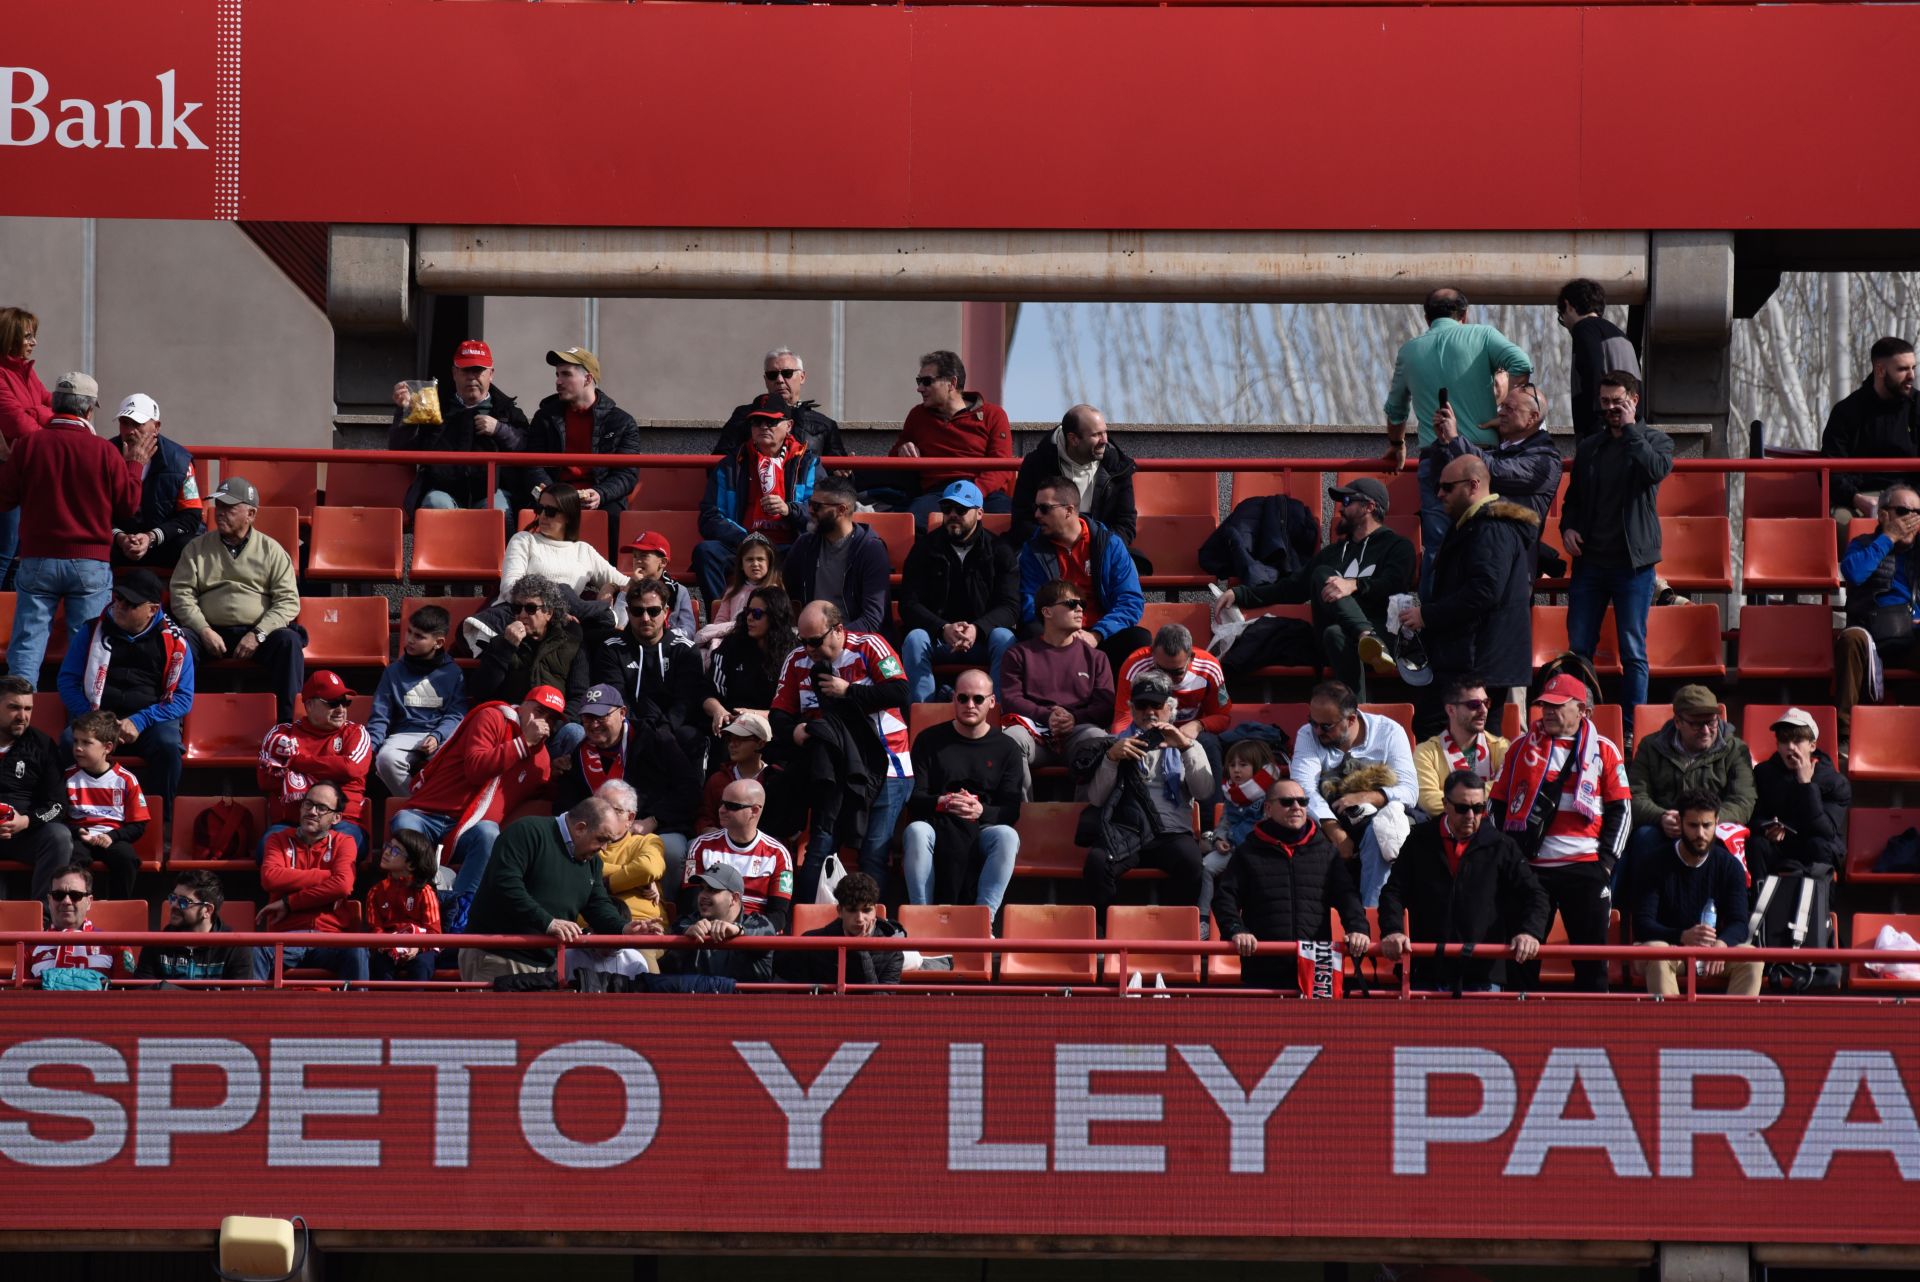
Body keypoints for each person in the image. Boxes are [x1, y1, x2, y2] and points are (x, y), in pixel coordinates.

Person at [0, 371, 151, 687]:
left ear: (54, 404)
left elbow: (5, 498)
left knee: (27, 646)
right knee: (87, 649)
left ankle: (17, 721)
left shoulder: (30, 446)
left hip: (37, 558)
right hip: (89, 562)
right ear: (89, 409)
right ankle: (83, 730)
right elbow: (128, 507)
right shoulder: (104, 451)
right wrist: (135, 464)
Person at [1381, 288, 1534, 589]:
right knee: (1488, 540)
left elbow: (1396, 409)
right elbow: (1522, 364)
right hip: (1482, 459)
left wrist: (1397, 446)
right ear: (1464, 315)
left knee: (1438, 546)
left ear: (1427, 317)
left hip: (1435, 459)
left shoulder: (1410, 351)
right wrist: (1505, 410)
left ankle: (1430, 624)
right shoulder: (1483, 335)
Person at [1489, 673, 1630, 992]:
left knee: (1592, 966)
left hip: (1585, 868)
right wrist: (1512, 861)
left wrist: (1605, 865)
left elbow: (1622, 812)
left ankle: (1592, 1035)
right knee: (1521, 961)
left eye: (1556, 706)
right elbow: (1495, 805)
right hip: (1531, 871)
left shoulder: (1605, 750)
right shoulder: (1519, 747)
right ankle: (1521, 1033)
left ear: (1582, 710)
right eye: (1543, 706)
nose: (1547, 712)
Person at [1218, 478, 1414, 696]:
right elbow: (1290, 589)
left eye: (1348, 500)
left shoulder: (1398, 546)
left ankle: (1356, 713)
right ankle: (1364, 635)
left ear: (1369, 507)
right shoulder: (1332, 554)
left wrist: (1354, 585)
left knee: (1335, 633)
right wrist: (1239, 593)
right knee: (1322, 577)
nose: (1341, 507)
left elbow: (1393, 586)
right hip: (1349, 639)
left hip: (1383, 635)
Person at [771, 601, 912, 901]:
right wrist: (795, 731)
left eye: (814, 641)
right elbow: (779, 715)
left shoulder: (869, 645)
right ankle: (806, 934)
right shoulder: (797, 660)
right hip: (832, 770)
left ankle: (871, 933)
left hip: (888, 765)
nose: (808, 649)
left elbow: (900, 691)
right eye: (803, 641)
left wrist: (849, 691)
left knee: (873, 854)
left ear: (837, 630)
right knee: (819, 850)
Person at [1559, 371, 1673, 740]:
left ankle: (1630, 730)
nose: (1609, 408)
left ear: (1634, 400)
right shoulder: (1590, 447)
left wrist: (1631, 432)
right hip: (1590, 561)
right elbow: (1573, 498)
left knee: (1633, 650)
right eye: (1605, 402)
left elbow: (1655, 470)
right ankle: (1579, 723)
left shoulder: (1655, 440)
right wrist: (1568, 527)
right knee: (1579, 647)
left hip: (1633, 563)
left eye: (1617, 401)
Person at [392, 686, 564, 917]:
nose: (544, 721)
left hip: (468, 830)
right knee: (404, 821)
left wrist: (563, 778)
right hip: (428, 814)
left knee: (489, 833)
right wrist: (523, 743)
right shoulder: (493, 717)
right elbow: (476, 769)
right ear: (523, 706)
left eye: (551, 718)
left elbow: (543, 793)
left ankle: (459, 914)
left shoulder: (541, 759)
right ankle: (411, 904)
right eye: (540, 711)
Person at [1399, 453, 1538, 733]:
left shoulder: (1490, 528)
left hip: (1475, 662)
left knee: (1444, 733)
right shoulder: (1477, 525)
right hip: (1471, 659)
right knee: (1458, 738)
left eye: (1448, 487)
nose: (1439, 494)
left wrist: (1427, 614)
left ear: (1473, 485)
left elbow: (1484, 591)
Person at [1378, 769, 1548, 992]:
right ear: (1445, 804)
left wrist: (1529, 932)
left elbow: (1536, 895)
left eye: (1478, 809)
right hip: (1427, 972)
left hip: (1483, 975)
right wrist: (1393, 930)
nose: (1470, 815)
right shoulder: (1419, 840)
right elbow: (1393, 892)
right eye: (1462, 808)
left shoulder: (1501, 846)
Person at [459, 798, 648, 983]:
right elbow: (504, 883)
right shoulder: (527, 831)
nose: (604, 848)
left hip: (548, 964)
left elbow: (597, 905)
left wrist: (623, 928)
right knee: (495, 1016)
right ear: (580, 828)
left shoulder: (592, 862)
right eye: (601, 839)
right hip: (500, 956)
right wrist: (548, 922)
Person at [1211, 780, 1370, 993]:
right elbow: (1225, 899)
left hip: (1317, 967)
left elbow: (1347, 897)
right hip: (1263, 969)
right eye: (1287, 802)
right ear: (1268, 809)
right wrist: (1236, 930)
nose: (1296, 807)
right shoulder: (1247, 852)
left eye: (1302, 802)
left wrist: (1358, 929)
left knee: (1321, 1027)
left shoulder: (1326, 852)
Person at [169, 476, 306, 723]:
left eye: (229, 508)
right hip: (208, 632)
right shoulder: (196, 548)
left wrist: (259, 633)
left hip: (257, 634)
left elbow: (287, 601)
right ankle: (174, 722)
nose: (219, 513)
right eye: (218, 506)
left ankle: (288, 727)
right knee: (179, 642)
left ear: (251, 513)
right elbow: (181, 594)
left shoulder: (271, 550)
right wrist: (203, 630)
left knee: (289, 641)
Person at [55, 569, 193, 806]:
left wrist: (140, 720)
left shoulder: (175, 641)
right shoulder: (90, 632)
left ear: (152, 609)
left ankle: (161, 821)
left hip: (150, 721)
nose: (120, 606)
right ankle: (70, 813)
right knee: (70, 741)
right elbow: (67, 681)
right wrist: (93, 717)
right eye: (118, 598)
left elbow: (182, 698)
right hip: (96, 715)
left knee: (168, 747)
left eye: (130, 604)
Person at [1082, 672, 1209, 926]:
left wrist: (1184, 748)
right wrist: (1111, 759)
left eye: (1156, 705)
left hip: (1171, 831)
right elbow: (1096, 798)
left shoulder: (1189, 744)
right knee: (1097, 862)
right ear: (1132, 708)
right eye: (1142, 705)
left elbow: (1204, 792)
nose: (1149, 711)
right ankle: (1106, 933)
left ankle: (1173, 930)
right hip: (1126, 830)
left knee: (1192, 862)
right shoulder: (1116, 743)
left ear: (1169, 708)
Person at [552, 683, 701, 894]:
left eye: (601, 717)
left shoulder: (655, 740)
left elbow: (690, 788)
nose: (593, 725)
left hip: (654, 828)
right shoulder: (579, 754)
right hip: (602, 835)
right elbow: (566, 805)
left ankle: (664, 911)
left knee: (673, 850)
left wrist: (653, 820)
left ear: (622, 713)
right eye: (587, 718)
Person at [1287, 680, 1418, 908]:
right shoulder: (1308, 734)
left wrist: (1369, 796)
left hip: (1377, 817)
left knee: (1383, 833)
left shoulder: (1389, 732)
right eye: (1313, 722)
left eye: (1326, 726)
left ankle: (1372, 917)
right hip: (1327, 818)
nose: (1317, 731)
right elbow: (1303, 788)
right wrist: (1333, 828)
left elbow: (1409, 791)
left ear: (1351, 719)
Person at [903, 670, 1024, 914]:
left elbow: (1010, 810)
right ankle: (922, 917)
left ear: (991, 702)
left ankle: (982, 921)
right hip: (936, 822)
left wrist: (981, 810)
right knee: (916, 831)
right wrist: (943, 802)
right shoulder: (929, 740)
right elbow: (914, 797)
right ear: (953, 699)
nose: (970, 705)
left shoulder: (1007, 748)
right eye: (963, 698)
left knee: (1007, 837)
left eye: (978, 699)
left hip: (982, 827)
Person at [1622, 685, 1755, 897]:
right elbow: (1634, 795)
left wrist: (1709, 821)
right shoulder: (1650, 747)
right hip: (1666, 827)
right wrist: (1661, 817)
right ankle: (1645, 914)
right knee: (1644, 838)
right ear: (1678, 722)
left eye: (1711, 722)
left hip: (1713, 828)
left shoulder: (1735, 750)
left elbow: (1743, 800)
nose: (1705, 730)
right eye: (1696, 724)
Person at [466, 482, 627, 652]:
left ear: (568, 516)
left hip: (561, 632)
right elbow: (509, 588)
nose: (542, 515)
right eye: (539, 508)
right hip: (523, 622)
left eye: (550, 512)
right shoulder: (524, 540)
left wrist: (612, 586)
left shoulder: (583, 550)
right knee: (564, 592)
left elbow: (628, 584)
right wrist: (552, 610)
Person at [899, 480, 1021, 702]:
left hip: (983, 639)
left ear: (980, 513)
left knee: (1005, 637)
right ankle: (921, 716)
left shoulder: (1000, 550)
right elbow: (909, 603)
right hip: (938, 637)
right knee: (915, 639)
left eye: (961, 509)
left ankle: (999, 718)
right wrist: (942, 628)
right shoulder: (925, 548)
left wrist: (977, 629)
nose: (953, 514)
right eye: (947, 509)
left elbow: (1010, 607)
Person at [1632, 791, 1762, 998]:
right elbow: (1642, 924)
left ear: (1717, 823)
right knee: (1657, 952)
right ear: (1680, 823)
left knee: (1752, 958)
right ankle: (1671, 1030)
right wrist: (1683, 936)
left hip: (1713, 954)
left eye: (1707, 825)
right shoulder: (1654, 863)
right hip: (1670, 948)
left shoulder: (1730, 866)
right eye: (1693, 825)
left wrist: (1722, 945)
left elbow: (1739, 922)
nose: (1700, 833)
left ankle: (1736, 1029)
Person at [1017, 476, 1148, 672]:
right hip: (1055, 634)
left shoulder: (1109, 545)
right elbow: (1029, 601)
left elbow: (1130, 601)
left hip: (1100, 635)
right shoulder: (1033, 549)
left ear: (1069, 510)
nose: (1036, 515)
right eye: (1036, 508)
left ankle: (1113, 700)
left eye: (1044, 508)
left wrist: (1096, 634)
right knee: (1030, 631)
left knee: (1139, 638)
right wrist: (1060, 631)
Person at [998, 578, 1115, 795]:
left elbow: (1105, 706)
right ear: (1047, 612)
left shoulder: (1097, 657)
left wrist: (1074, 718)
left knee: (1098, 739)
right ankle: (1022, 818)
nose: (1080, 609)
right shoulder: (1018, 654)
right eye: (1071, 604)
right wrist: (1046, 716)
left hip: (1077, 732)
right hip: (1034, 731)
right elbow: (1011, 698)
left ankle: (1085, 819)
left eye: (1082, 604)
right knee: (1011, 739)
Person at [694, 402, 820, 603]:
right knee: (706, 552)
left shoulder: (806, 462)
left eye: (771, 422)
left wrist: (789, 510)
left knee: (814, 552)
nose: (763, 427)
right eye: (757, 422)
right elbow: (710, 517)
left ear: (788, 425)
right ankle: (720, 620)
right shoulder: (731, 465)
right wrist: (746, 539)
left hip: (789, 546)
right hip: (742, 543)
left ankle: (801, 622)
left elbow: (820, 512)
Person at [389, 337, 527, 512]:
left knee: (499, 509)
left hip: (491, 492)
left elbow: (528, 448)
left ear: (491, 374)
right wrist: (405, 411)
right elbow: (400, 451)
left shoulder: (508, 412)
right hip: (443, 491)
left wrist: (499, 429)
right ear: (454, 373)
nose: (471, 377)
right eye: (465, 370)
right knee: (435, 503)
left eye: (478, 370)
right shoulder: (432, 407)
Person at [250, 781, 366, 983]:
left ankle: (357, 1014)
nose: (312, 811)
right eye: (308, 804)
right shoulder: (278, 840)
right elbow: (270, 878)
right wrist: (325, 876)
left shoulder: (344, 842)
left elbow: (343, 885)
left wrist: (289, 903)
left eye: (322, 808)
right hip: (286, 938)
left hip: (331, 937)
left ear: (336, 817)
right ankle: (252, 1014)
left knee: (357, 951)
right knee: (255, 952)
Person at [466, 574, 589, 757]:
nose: (522, 615)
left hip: (552, 732)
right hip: (511, 731)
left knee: (575, 733)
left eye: (531, 608)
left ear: (549, 612)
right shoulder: (500, 643)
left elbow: (579, 695)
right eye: (517, 608)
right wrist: (506, 648)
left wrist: (553, 725)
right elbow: (481, 690)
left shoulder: (572, 643)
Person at [588, 577, 707, 767]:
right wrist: (641, 730)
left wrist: (664, 730)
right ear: (627, 612)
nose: (645, 618)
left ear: (666, 612)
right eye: (637, 611)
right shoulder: (611, 649)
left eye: (653, 611)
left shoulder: (685, 649)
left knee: (690, 736)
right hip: (630, 728)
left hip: (674, 730)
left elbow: (686, 701)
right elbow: (616, 698)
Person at [890, 349, 1015, 525]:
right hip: (937, 494)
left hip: (983, 492)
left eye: (927, 382)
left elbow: (1001, 466)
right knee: (913, 522)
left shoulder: (993, 414)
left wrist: (970, 492)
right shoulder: (917, 415)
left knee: (1011, 521)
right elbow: (894, 456)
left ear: (951, 383)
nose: (919, 388)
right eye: (919, 381)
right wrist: (902, 450)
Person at [258, 670, 373, 857]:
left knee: (342, 850)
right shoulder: (281, 735)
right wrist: (330, 770)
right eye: (333, 703)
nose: (341, 710)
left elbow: (350, 768)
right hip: (292, 823)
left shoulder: (356, 733)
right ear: (309, 705)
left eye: (345, 702)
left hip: (341, 823)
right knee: (267, 849)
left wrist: (296, 761)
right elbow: (266, 780)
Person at [1836, 482, 1920, 735]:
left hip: (1913, 636)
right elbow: (1854, 573)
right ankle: (1845, 736)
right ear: (1884, 514)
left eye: (1919, 513)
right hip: (1872, 634)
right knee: (1850, 639)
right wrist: (1889, 537)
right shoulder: (1863, 544)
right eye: (1905, 511)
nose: (1913, 519)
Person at [1425, 381, 1562, 532]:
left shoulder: (1545, 461)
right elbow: (1443, 484)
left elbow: (1494, 472)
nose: (1501, 412)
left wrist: (1455, 440)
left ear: (1532, 417)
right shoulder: (1500, 451)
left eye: (1509, 408)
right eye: (1502, 406)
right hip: (1475, 538)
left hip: (1507, 548)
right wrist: (1444, 444)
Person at [519, 347, 642, 515]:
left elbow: (627, 474)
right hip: (554, 495)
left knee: (612, 516)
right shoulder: (545, 417)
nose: (558, 381)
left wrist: (600, 494)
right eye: (557, 375)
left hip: (601, 501)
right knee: (532, 513)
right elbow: (533, 464)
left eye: (566, 374)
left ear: (587, 378)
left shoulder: (621, 422)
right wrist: (552, 493)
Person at [365, 604, 467, 798]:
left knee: (455, 762)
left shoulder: (453, 672)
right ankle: (416, 806)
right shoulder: (393, 672)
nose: (410, 640)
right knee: (386, 759)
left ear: (438, 643)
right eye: (409, 632)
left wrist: (437, 736)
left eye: (419, 636)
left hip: (441, 736)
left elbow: (456, 713)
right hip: (403, 734)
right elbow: (381, 715)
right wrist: (370, 749)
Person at [1111, 623, 1231, 784]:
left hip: (1189, 736)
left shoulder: (1208, 668)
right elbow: (1123, 717)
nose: (1168, 678)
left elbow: (1222, 716)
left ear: (1191, 657)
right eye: (1161, 670)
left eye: (1177, 672)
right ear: (1152, 653)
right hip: (1146, 733)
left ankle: (1212, 808)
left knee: (1209, 743)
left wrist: (1198, 725)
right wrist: (1123, 742)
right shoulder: (1134, 665)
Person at [1010, 404, 1137, 548]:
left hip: (1102, 551)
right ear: (1073, 439)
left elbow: (1126, 524)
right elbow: (1022, 521)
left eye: (1105, 432)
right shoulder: (1036, 464)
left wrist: (1099, 548)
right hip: (1046, 552)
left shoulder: (1118, 467)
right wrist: (1059, 546)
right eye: (1096, 435)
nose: (1104, 440)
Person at [1822, 337, 1920, 524]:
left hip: (1913, 496)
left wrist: (1911, 500)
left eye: (1913, 368)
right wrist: (1856, 499)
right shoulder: (1847, 411)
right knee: (1840, 521)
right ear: (1880, 370)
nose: (1911, 376)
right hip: (1862, 498)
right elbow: (1830, 469)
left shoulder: (1918, 407)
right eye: (1902, 369)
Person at [1746, 708, 1849, 883]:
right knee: (1756, 844)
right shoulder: (1763, 773)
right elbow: (1752, 818)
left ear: (1812, 745)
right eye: (1784, 741)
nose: (1791, 747)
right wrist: (1767, 829)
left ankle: (1819, 908)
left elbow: (1825, 831)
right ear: (1778, 745)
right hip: (1780, 846)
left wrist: (1807, 785)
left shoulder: (1835, 782)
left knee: (1819, 846)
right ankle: (1759, 905)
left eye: (1798, 740)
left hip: (1815, 847)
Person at [682, 777, 794, 933]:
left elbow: (778, 917)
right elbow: (691, 903)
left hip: (755, 939)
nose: (721, 810)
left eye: (731, 806)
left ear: (754, 811)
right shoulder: (700, 845)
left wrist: (741, 931)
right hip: (709, 934)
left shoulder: (779, 854)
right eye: (722, 803)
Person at [784, 475, 891, 635]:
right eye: (809, 504)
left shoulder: (871, 550)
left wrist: (828, 637)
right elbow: (783, 590)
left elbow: (872, 620)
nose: (810, 510)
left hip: (856, 643)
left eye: (817, 506)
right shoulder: (804, 545)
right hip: (810, 639)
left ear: (841, 510)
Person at [0, 675, 74, 900]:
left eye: (28, 709)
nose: (22, 716)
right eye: (14, 707)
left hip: (24, 833)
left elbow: (58, 805)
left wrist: (26, 821)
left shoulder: (42, 745)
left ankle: (43, 918)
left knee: (59, 836)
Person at [703, 587, 798, 763]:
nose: (749, 618)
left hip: (773, 725)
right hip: (732, 723)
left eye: (757, 613)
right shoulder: (732, 645)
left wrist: (753, 714)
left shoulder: (793, 653)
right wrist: (718, 710)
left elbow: (795, 708)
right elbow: (708, 691)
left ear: (775, 616)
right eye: (747, 611)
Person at [109, 393, 204, 568]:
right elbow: (94, 513)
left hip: (163, 543)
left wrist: (151, 537)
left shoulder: (180, 461)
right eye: (124, 423)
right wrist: (121, 538)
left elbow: (191, 516)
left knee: (189, 546)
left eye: (138, 424)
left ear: (156, 427)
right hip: (119, 543)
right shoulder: (106, 455)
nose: (130, 431)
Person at [62, 710, 147, 900]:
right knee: (71, 860)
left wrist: (112, 836)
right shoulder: (67, 777)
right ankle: (76, 909)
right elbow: (59, 817)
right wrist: (77, 832)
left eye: (86, 743)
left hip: (112, 838)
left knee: (126, 859)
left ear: (107, 747)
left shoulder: (125, 779)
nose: (78, 748)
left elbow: (138, 825)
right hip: (79, 837)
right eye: (76, 741)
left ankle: (118, 909)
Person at [713, 346, 849, 465]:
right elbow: (719, 464)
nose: (779, 380)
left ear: (802, 377)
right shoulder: (745, 415)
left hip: (805, 493)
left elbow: (839, 478)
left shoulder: (824, 424)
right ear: (766, 380)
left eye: (787, 373)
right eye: (772, 375)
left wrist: (844, 472)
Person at [776, 871, 909, 987]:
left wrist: (861, 951)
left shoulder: (893, 952)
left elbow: (880, 1006)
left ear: (875, 910)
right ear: (840, 911)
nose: (860, 918)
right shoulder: (812, 944)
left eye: (866, 910)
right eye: (852, 910)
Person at [0, 305, 52, 589]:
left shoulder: (25, 373)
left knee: (19, 553)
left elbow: (49, 404)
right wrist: (41, 414)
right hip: (7, 474)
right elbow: (18, 426)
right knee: (5, 553)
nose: (34, 343)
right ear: (10, 338)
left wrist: (36, 412)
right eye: (28, 337)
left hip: (25, 474)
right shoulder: (2, 375)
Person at [1203, 740, 1281, 929]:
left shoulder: (1270, 795)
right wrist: (1219, 839)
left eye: (1243, 765)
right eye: (1232, 765)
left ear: (1257, 767)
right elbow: (1224, 823)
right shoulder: (1231, 795)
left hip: (1258, 852)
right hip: (1231, 850)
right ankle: (1203, 917)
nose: (1236, 770)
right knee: (1204, 867)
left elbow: (1265, 827)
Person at [1412, 675, 1509, 819]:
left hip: (1491, 831)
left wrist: (1455, 802)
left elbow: (1505, 790)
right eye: (1474, 704)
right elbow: (1429, 802)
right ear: (1451, 710)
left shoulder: (1501, 747)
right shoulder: (1426, 752)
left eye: (1486, 702)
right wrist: (1483, 799)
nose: (1484, 710)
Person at [664, 862, 779, 983]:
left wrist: (738, 930)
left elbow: (767, 933)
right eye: (702, 889)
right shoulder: (689, 922)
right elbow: (675, 931)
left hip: (743, 1001)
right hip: (696, 1000)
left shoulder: (757, 924)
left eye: (712, 890)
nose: (702, 895)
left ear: (734, 898)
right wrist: (686, 933)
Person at [1556, 279, 1641, 440]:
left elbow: (1592, 371)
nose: (1566, 324)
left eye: (1562, 317)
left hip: (1602, 433)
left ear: (1568, 305)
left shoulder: (1584, 329)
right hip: (1630, 428)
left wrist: (1594, 432)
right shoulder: (1619, 333)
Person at [134, 869, 247, 984]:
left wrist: (166, 989)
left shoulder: (234, 948)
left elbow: (239, 999)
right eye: (173, 898)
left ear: (207, 910)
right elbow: (142, 994)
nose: (174, 905)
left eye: (183, 901)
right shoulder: (155, 945)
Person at [32, 863, 131, 986]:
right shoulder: (30, 947)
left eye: (75, 895)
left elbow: (125, 996)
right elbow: (18, 996)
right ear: (49, 900)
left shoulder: (116, 946)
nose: (66, 901)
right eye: (58, 895)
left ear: (89, 902)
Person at [365, 829, 442, 982]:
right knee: (379, 964)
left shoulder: (425, 892)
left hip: (420, 948)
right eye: (388, 846)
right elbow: (376, 930)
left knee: (422, 964)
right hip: (388, 948)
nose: (386, 852)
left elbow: (434, 933)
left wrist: (417, 948)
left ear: (412, 864)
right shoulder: (375, 892)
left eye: (395, 851)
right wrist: (388, 947)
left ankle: (416, 1005)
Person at [696, 531, 782, 654]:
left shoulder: (774, 592)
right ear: (741, 564)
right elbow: (720, 621)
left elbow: (775, 625)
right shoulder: (733, 591)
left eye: (760, 559)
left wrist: (737, 627)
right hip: (732, 640)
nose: (755, 564)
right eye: (749, 560)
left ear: (769, 562)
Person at [698, 711, 782, 834]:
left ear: (761, 743)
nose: (732, 744)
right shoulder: (718, 779)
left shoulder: (777, 779)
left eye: (740, 739)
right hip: (720, 847)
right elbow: (704, 816)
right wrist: (707, 829)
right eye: (730, 739)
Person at [622, 531, 698, 638]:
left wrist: (662, 638)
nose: (637, 561)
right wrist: (629, 587)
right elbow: (619, 626)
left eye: (643, 556)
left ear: (662, 562)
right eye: (635, 556)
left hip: (669, 648)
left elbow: (688, 630)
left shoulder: (679, 591)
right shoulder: (628, 588)